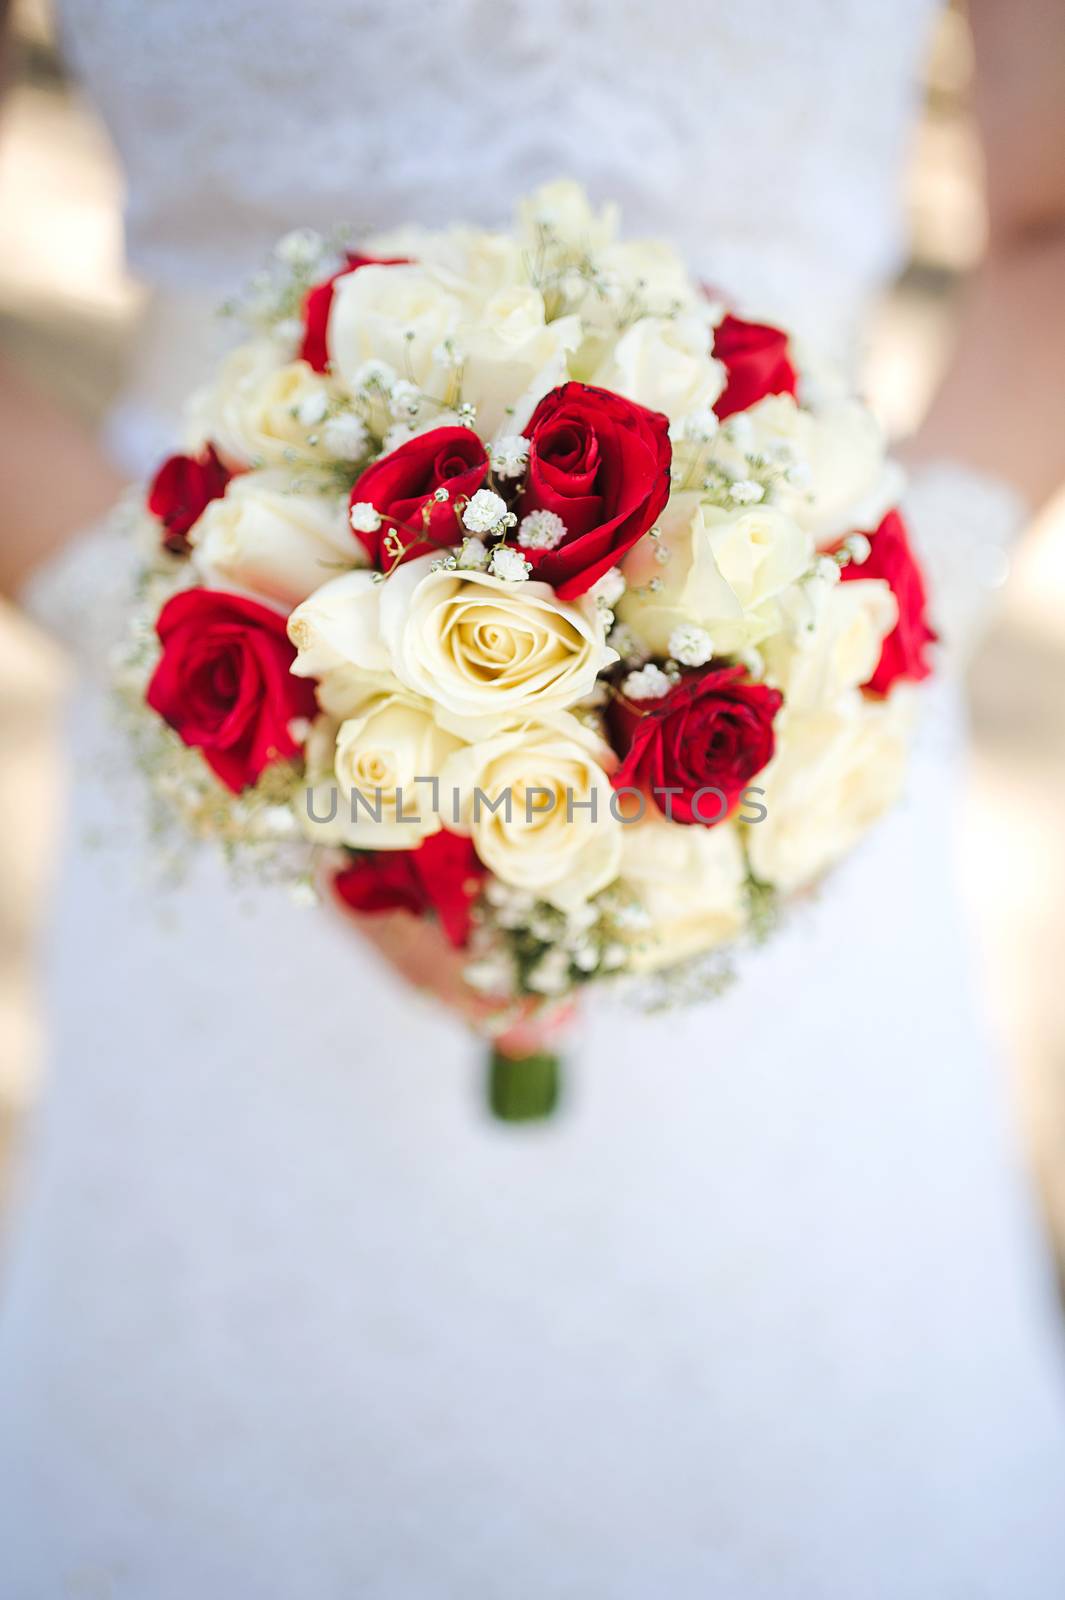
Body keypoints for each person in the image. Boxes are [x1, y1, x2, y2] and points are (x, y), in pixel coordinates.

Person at [1, 2, 1065, 1594]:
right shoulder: (216, 677)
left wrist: (894, 615)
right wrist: (173, 644)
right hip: (228, 672)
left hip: (777, 725)